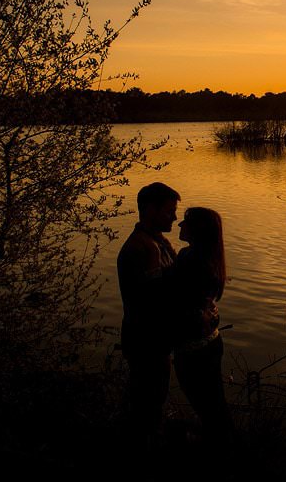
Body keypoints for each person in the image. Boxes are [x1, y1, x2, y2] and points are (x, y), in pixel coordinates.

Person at [117, 181, 180, 454]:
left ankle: (147, 448)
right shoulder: (142, 248)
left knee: (153, 401)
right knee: (147, 404)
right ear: (150, 209)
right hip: (146, 342)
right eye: (169, 212)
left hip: (155, 340)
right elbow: (153, 299)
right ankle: (143, 456)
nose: (175, 218)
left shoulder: (156, 243)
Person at [169, 207, 233, 446]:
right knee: (213, 404)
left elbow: (172, 294)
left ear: (198, 229)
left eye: (185, 221)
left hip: (195, 349)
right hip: (208, 343)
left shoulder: (192, 260)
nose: (179, 225)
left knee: (207, 406)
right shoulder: (206, 258)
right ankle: (221, 448)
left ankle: (217, 452)